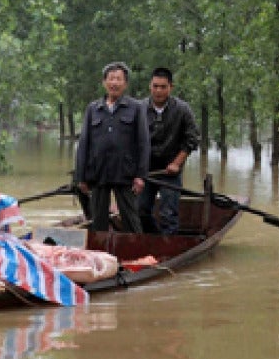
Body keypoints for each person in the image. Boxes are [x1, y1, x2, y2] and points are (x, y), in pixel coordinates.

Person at [73, 62, 151, 233]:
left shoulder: (136, 108)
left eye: (118, 79)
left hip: (125, 172)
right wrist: (81, 177)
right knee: (98, 220)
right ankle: (101, 255)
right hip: (98, 172)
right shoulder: (93, 109)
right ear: (104, 82)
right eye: (111, 79)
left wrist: (140, 176)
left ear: (125, 84)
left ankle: (137, 253)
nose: (114, 83)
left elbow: (143, 144)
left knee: (131, 218)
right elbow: (84, 144)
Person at [139, 67, 200, 234]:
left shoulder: (182, 109)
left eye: (163, 87)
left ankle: (168, 246)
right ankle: (153, 241)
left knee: (168, 213)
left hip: (170, 171)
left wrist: (177, 163)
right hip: (145, 170)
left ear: (170, 87)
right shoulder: (139, 109)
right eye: (155, 86)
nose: (158, 90)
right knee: (141, 211)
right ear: (150, 86)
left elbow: (192, 139)